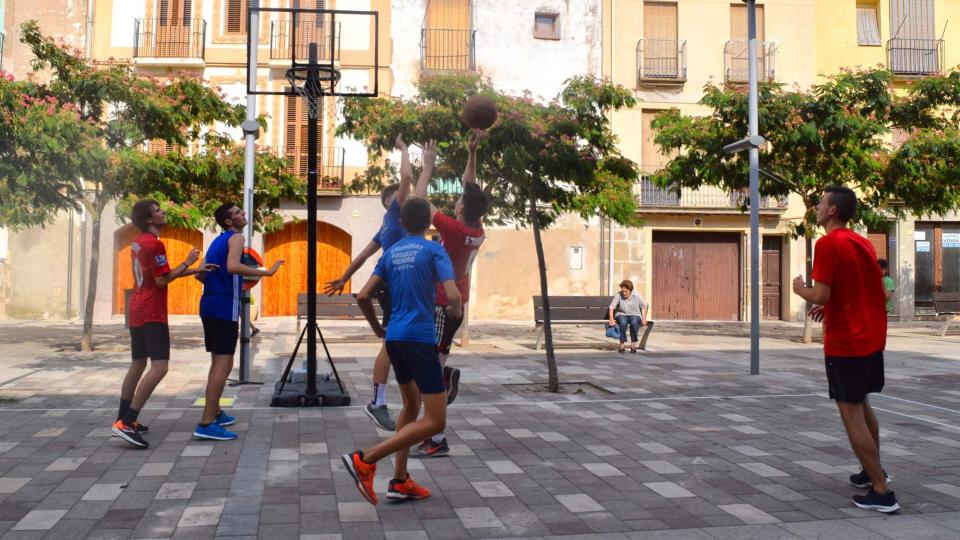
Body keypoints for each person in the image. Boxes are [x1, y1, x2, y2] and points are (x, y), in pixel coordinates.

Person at [342, 197, 461, 505]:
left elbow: (364, 295)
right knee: (436, 422)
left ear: (403, 223)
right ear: (430, 224)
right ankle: (366, 459)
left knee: (410, 408)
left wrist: (378, 330)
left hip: (395, 338)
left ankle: (400, 480)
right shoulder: (435, 250)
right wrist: (456, 311)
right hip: (421, 341)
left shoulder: (391, 252)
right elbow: (452, 293)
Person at [792, 186, 899, 513]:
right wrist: (833, 304)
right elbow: (870, 289)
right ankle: (871, 473)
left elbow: (820, 294)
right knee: (863, 406)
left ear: (833, 210)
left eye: (821, 203)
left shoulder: (828, 243)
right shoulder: (862, 241)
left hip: (847, 342)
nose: (817, 207)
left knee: (850, 413)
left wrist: (800, 289)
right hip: (870, 338)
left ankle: (882, 491)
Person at [324, 136, 415, 432]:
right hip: (392, 286)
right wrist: (402, 150)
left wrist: (344, 276)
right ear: (390, 203)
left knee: (401, 343)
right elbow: (407, 178)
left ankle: (399, 396)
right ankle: (378, 402)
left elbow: (363, 254)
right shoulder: (393, 215)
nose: (404, 195)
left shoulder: (392, 225)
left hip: (398, 285)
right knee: (390, 345)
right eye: (398, 195)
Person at [410, 131, 489, 458]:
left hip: (444, 304)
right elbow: (471, 189)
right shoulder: (476, 228)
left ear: (460, 208)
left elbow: (417, 204)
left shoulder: (454, 229)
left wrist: (427, 167)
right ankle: (444, 377)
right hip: (456, 303)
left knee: (428, 373)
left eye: (458, 198)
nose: (455, 198)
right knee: (430, 367)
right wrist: (472, 153)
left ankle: (435, 436)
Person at [113, 199, 217, 449]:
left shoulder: (138, 241)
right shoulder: (155, 244)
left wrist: (192, 271)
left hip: (137, 306)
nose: (163, 212)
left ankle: (122, 417)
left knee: (138, 364)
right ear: (150, 219)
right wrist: (189, 261)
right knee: (160, 367)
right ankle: (127, 421)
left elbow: (156, 275)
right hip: (151, 311)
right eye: (158, 210)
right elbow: (161, 282)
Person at [194, 203, 284, 441]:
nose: (244, 214)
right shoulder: (236, 238)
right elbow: (233, 266)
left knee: (217, 363)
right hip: (224, 307)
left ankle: (215, 411)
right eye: (238, 212)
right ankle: (205, 423)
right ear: (229, 221)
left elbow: (200, 274)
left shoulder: (217, 241)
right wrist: (266, 272)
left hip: (208, 305)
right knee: (223, 365)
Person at [607, 279, 649, 354]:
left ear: (630, 290)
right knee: (623, 322)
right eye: (623, 291)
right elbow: (611, 307)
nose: (623, 293)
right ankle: (622, 343)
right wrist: (611, 318)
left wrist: (644, 318)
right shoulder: (619, 295)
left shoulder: (636, 295)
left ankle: (633, 343)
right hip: (621, 314)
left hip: (635, 314)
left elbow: (645, 305)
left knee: (634, 323)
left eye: (626, 291)